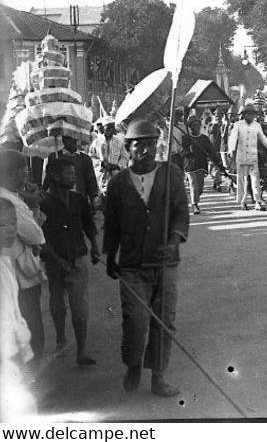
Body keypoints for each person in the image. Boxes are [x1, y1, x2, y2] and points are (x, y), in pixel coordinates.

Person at [102, 119, 189, 397]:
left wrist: (174, 241)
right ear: (128, 148)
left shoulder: (171, 174)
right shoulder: (117, 184)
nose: (147, 150)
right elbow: (112, 223)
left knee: (164, 320)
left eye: (152, 144)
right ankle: (133, 365)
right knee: (136, 320)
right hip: (131, 263)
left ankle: (159, 377)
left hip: (165, 261)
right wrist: (110, 255)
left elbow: (181, 212)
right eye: (140, 145)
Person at [40, 159, 100, 366]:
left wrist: (95, 246)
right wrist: (56, 260)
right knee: (58, 305)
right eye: (68, 173)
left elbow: (88, 225)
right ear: (55, 176)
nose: (73, 177)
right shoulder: (43, 203)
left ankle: (81, 352)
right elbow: (41, 238)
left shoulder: (78, 199)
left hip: (78, 259)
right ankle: (61, 339)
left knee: (80, 308)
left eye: (74, 173)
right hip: (54, 264)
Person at [0, 150, 49, 359]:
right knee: (30, 326)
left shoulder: (9, 197)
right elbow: (36, 235)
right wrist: (33, 205)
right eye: (25, 172)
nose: (26, 177)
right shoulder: (8, 200)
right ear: (16, 173)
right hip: (18, 274)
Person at [226, 105, 267, 210]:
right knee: (242, 181)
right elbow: (233, 138)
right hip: (241, 157)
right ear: (243, 115)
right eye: (248, 114)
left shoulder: (257, 126)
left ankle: (257, 202)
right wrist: (231, 149)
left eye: (252, 114)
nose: (250, 116)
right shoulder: (238, 125)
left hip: (253, 156)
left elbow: (264, 140)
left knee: (255, 181)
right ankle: (243, 202)